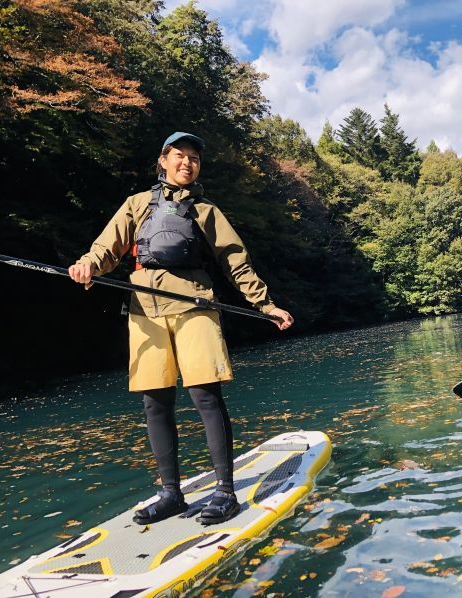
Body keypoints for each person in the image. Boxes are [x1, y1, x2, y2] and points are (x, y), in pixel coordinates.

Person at [68, 132, 293, 525]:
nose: (187, 162)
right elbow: (107, 247)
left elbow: (236, 261)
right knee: (155, 402)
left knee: (205, 395)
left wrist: (265, 304)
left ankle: (225, 492)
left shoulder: (207, 211)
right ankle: (171, 494)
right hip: (146, 310)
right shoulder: (136, 204)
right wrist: (89, 265)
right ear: (163, 160)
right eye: (179, 155)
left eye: (194, 158)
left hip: (195, 306)